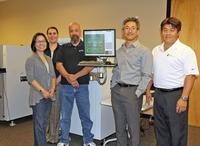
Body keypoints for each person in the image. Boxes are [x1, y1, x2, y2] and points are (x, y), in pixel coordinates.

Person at [146, 17, 199, 146]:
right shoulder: (155, 50)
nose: (168, 33)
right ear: (161, 32)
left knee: (177, 131)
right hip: (158, 94)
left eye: (172, 30)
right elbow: (152, 73)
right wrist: (148, 90)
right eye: (165, 30)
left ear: (178, 32)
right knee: (160, 129)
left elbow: (191, 76)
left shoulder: (186, 51)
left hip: (176, 96)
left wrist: (184, 98)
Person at [111, 17, 153, 146]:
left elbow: (147, 75)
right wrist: (113, 86)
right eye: (127, 28)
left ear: (138, 31)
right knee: (119, 126)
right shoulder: (118, 51)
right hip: (117, 91)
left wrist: (138, 93)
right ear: (123, 31)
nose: (130, 31)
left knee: (133, 128)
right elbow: (116, 69)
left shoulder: (145, 51)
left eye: (133, 28)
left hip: (132, 92)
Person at [56, 22, 96, 146]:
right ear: (69, 33)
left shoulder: (88, 47)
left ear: (80, 31)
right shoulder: (63, 47)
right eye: (72, 31)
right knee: (65, 116)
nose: (74, 33)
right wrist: (68, 77)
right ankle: (64, 141)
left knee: (85, 115)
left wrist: (75, 77)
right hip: (65, 87)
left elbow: (91, 65)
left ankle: (88, 140)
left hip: (82, 86)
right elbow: (58, 64)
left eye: (76, 30)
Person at [25, 32, 56, 146]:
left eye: (43, 41)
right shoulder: (31, 59)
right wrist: (43, 91)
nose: (41, 43)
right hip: (38, 96)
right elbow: (31, 79)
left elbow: (53, 75)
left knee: (43, 125)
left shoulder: (48, 58)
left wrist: (52, 88)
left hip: (49, 95)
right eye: (38, 41)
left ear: (46, 43)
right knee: (39, 126)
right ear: (34, 44)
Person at [45, 26, 61, 144]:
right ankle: (47, 134)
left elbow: (64, 68)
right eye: (49, 33)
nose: (52, 35)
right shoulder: (42, 50)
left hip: (59, 84)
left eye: (54, 33)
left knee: (55, 111)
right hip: (44, 85)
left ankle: (53, 137)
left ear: (57, 35)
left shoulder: (62, 49)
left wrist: (55, 84)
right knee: (45, 111)